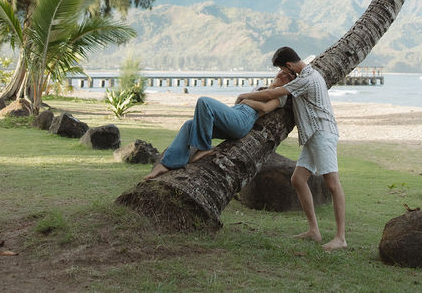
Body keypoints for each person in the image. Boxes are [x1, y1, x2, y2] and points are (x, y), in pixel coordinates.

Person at [236, 46, 346, 251]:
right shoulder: (303, 74)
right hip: (313, 136)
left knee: (332, 184)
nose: (284, 74)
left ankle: (341, 238)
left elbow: (276, 92)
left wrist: (244, 95)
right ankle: (314, 231)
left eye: (283, 69)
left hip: (323, 133)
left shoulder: (306, 79)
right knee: (297, 179)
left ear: (289, 65)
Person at [144, 68, 294, 180]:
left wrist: (246, 100)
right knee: (189, 125)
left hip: (243, 119)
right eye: (283, 71)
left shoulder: (281, 95)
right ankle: (166, 164)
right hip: (235, 114)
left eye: (289, 76)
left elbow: (265, 108)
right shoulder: (261, 88)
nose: (284, 75)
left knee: (204, 102)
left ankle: (203, 148)